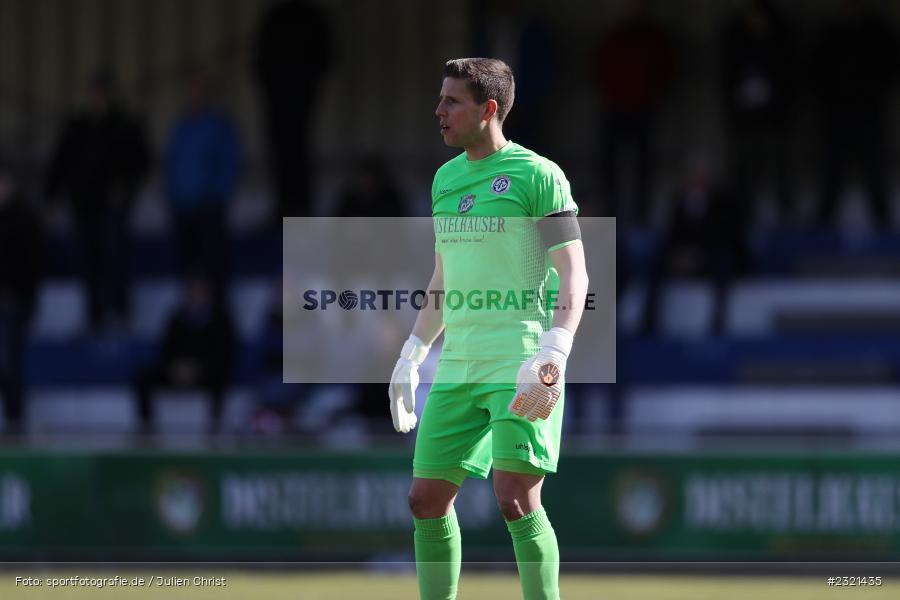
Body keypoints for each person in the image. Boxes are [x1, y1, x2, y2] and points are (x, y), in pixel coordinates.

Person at [389, 58, 589, 600]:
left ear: (489, 109)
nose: (439, 111)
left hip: (523, 360)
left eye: (452, 101)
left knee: (515, 498)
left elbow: (576, 273)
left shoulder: (539, 175)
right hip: (459, 362)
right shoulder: (445, 179)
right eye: (441, 99)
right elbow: (443, 277)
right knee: (425, 500)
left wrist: (554, 352)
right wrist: (412, 351)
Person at [46, 71, 149, 332]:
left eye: (102, 91)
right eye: (94, 91)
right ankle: (94, 316)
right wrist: (52, 197)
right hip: (84, 203)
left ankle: (120, 313)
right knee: (88, 260)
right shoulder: (77, 125)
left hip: (112, 205)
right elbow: (61, 163)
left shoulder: (124, 124)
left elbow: (140, 161)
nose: (97, 97)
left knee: (114, 257)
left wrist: (125, 187)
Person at [165, 72, 241, 297]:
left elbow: (229, 164)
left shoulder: (219, 125)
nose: (194, 96)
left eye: (198, 91)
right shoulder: (181, 126)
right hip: (182, 208)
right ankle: (191, 315)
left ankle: (217, 315)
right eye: (191, 91)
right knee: (186, 266)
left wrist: (216, 195)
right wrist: (173, 196)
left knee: (213, 266)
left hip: (209, 208)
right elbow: (172, 164)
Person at [133, 275, 235, 434]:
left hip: (205, 371)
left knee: (220, 378)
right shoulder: (176, 317)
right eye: (192, 291)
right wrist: (176, 367)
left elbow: (224, 352)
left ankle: (216, 425)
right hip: (177, 369)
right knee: (143, 376)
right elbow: (166, 349)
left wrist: (198, 368)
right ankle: (147, 425)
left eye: (200, 291)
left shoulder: (221, 318)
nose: (196, 295)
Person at [0, 159, 41, 433]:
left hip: (12, 303)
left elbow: (31, 264)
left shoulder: (24, 219)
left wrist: (11, 291)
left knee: (9, 364)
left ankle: (15, 424)